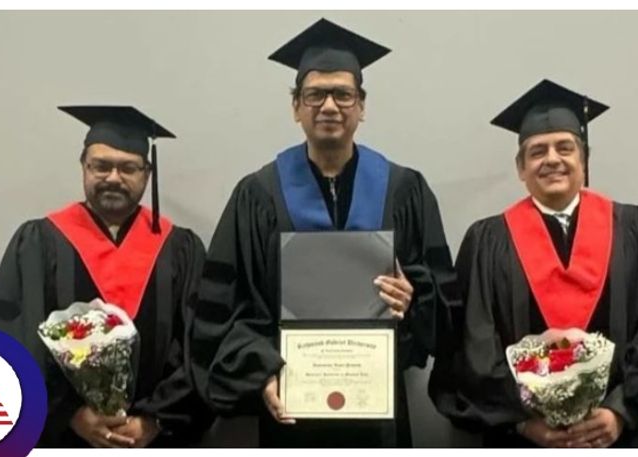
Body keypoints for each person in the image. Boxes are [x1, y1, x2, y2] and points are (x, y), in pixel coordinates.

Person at [188, 18, 460, 447]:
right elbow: (224, 310)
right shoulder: (258, 195)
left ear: (362, 106)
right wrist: (261, 375)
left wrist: (414, 300)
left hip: (379, 408)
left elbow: (445, 304)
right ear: (296, 106)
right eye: (315, 94)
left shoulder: (404, 190)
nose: (329, 106)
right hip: (289, 408)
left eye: (343, 94)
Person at [428, 79, 638, 448]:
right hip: (520, 441)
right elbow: (471, 345)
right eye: (537, 151)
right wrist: (524, 422)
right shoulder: (488, 241)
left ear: (584, 160)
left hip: (611, 439)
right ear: (521, 167)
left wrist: (620, 411)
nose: (552, 159)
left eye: (565, 147)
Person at [0, 106, 214, 448]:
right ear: (84, 167)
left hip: (157, 441)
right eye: (101, 166)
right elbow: (12, 341)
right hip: (66, 440)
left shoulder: (181, 249)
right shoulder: (39, 243)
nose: (113, 177)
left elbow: (202, 344)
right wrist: (70, 415)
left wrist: (154, 419)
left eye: (128, 167)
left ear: (146, 174)